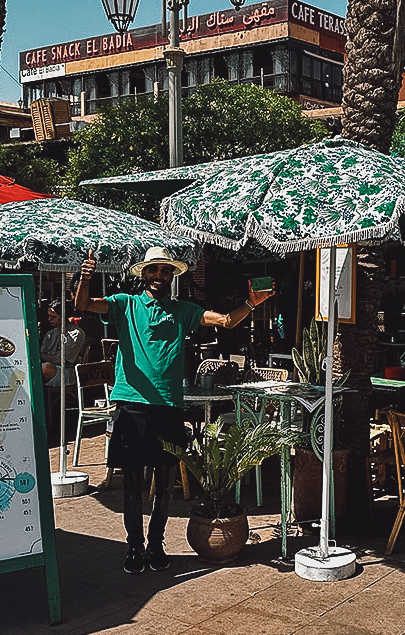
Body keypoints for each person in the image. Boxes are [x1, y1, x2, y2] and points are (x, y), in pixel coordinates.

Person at [74, 246, 273, 574]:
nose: (159, 276)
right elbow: (84, 304)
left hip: (168, 405)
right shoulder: (126, 304)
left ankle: (155, 544)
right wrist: (85, 278)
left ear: (171, 276)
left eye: (165, 271)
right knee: (134, 484)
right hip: (131, 405)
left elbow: (224, 321)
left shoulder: (183, 311)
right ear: (143, 275)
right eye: (153, 271)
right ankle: (134, 547)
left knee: (164, 484)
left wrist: (252, 303)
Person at [40, 300, 86, 387]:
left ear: (64, 316)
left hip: (66, 372)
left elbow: (60, 359)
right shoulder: (50, 333)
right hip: (50, 367)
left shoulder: (76, 333)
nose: (49, 319)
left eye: (53, 317)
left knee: (45, 368)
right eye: (49, 316)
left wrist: (39, 355)